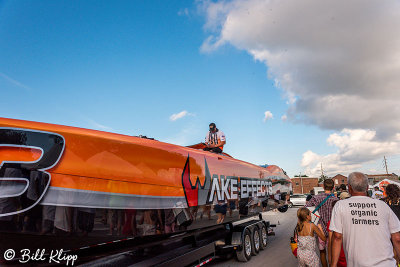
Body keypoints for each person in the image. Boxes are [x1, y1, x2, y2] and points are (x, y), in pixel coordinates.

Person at [329, 172, 400, 267]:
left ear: (349, 188)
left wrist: (333, 265)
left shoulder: (340, 205)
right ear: (367, 188)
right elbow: (397, 238)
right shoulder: (383, 205)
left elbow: (337, 237)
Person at [305, 179, 338, 267]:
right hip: (333, 229)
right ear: (333, 187)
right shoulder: (336, 199)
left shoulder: (316, 198)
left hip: (320, 229)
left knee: (322, 252)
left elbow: (305, 209)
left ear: (323, 186)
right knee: (332, 252)